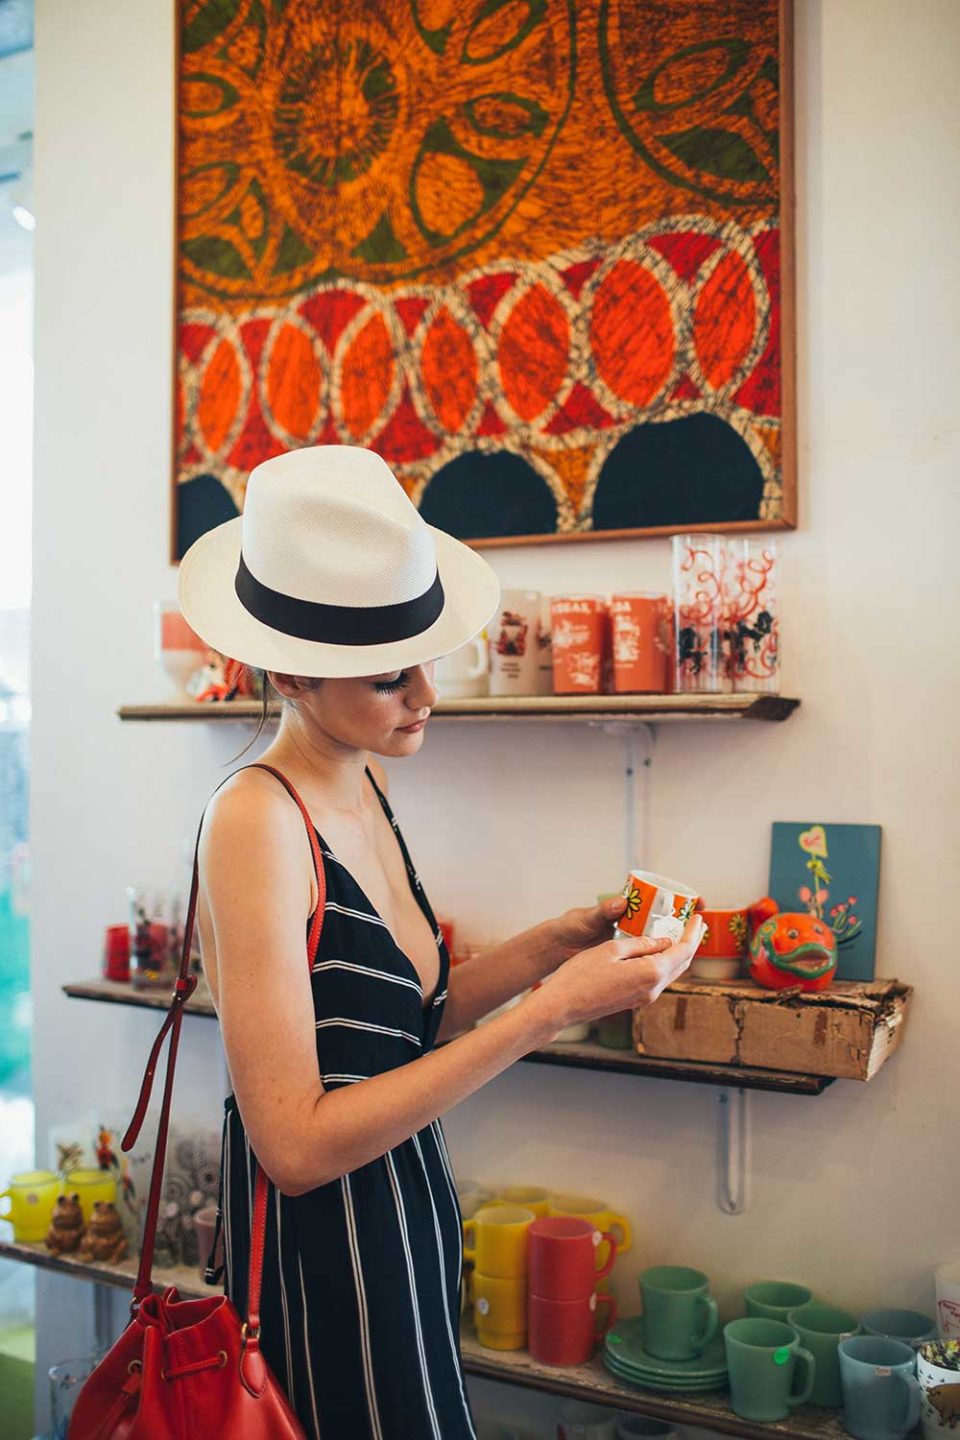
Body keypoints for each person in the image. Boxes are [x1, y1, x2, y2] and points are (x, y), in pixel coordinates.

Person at [177, 444, 704, 1440]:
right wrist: (551, 1014)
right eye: (388, 677)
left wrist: (552, 947)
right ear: (291, 669)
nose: (425, 693)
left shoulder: (362, 777)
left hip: (406, 1208)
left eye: (423, 656)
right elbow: (291, 1146)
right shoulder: (256, 818)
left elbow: (401, 1022)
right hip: (325, 1242)